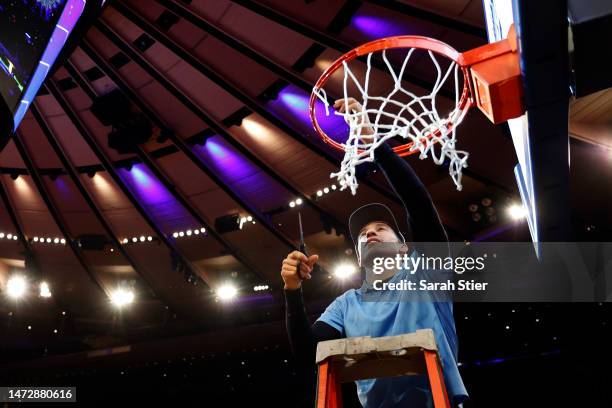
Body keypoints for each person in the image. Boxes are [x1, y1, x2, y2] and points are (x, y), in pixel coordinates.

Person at [281, 98, 468, 407]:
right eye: (363, 235)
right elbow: (307, 353)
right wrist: (291, 291)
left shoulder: (425, 272)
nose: (369, 233)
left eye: (380, 228)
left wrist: (374, 143)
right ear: (358, 258)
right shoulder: (346, 304)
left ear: (405, 247)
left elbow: (417, 201)